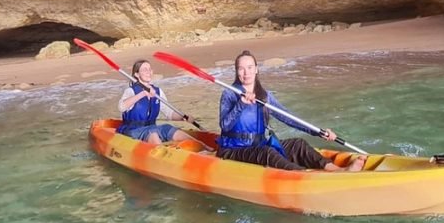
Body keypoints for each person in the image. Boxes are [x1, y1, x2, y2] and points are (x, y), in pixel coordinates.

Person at [217, 50, 367, 171]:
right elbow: (225, 125)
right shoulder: (229, 94)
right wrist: (240, 104)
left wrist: (318, 132)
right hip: (233, 149)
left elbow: (288, 118)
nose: (246, 72)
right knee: (267, 153)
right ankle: (301, 175)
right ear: (236, 72)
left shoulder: (265, 96)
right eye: (241, 69)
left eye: (250, 67)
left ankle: (336, 170)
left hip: (259, 144)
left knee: (298, 144)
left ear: (256, 70)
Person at [118, 59, 193, 144]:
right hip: (132, 130)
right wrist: (143, 94)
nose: (148, 72)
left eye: (150, 69)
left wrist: (183, 118)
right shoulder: (131, 91)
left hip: (152, 128)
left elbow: (169, 113)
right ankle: (163, 154)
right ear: (137, 74)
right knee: (153, 134)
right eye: (144, 70)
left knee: (170, 129)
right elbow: (121, 107)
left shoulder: (158, 92)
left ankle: (205, 149)